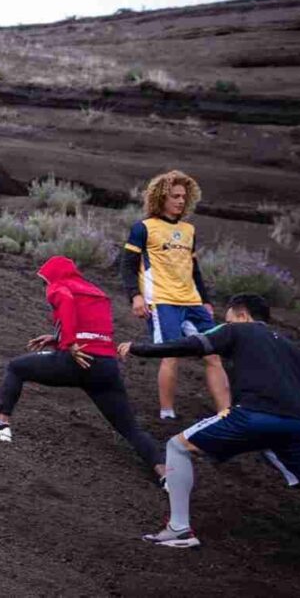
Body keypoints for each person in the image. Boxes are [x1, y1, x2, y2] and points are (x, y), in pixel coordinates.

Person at [119, 294, 300, 548]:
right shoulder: (294, 349)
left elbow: (191, 345)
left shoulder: (238, 330)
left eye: (229, 317)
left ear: (242, 315)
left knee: (177, 446)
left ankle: (179, 530)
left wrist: (140, 348)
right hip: (299, 426)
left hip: (253, 415)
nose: (226, 323)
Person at [0, 256, 164, 479]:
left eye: (44, 282)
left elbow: (66, 302)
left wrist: (68, 343)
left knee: (15, 367)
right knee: (130, 428)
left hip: (75, 361)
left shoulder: (58, 287)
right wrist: (57, 338)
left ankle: (1, 427)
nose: (45, 288)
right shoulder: (95, 292)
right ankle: (164, 474)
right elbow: (92, 327)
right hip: (105, 366)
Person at [121, 170, 229, 420]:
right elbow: (127, 265)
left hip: (192, 301)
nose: (180, 201)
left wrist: (206, 300)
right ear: (161, 198)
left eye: (184, 196)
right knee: (171, 355)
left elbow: (195, 270)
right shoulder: (143, 228)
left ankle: (226, 412)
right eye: (175, 196)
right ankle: (167, 414)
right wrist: (135, 296)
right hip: (162, 302)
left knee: (213, 355)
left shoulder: (189, 230)